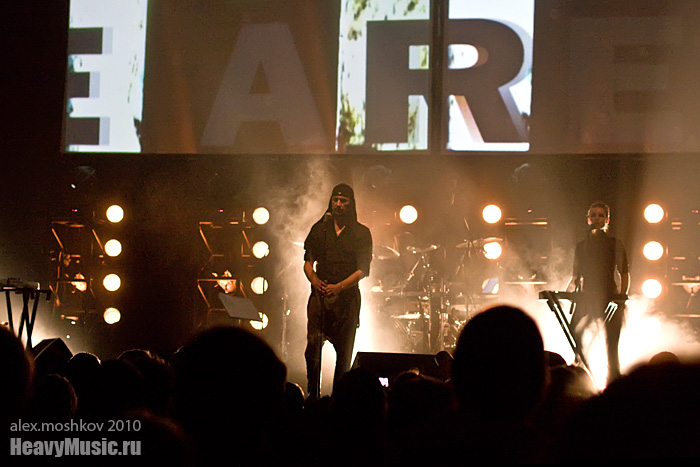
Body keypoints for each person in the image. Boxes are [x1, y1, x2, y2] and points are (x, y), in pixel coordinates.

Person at [303, 183, 372, 399]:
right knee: (312, 349)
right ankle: (312, 396)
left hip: (347, 299)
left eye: (344, 201)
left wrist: (339, 287)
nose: (339, 205)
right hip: (320, 296)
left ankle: (338, 401)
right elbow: (307, 261)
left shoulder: (361, 232)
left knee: (343, 355)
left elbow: (363, 270)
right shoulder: (320, 228)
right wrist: (315, 281)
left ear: (351, 205)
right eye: (335, 200)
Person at [567, 201, 629, 383]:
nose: (596, 218)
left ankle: (613, 377)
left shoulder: (614, 243)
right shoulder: (582, 246)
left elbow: (624, 271)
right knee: (573, 329)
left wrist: (621, 296)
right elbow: (576, 275)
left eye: (600, 215)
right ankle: (578, 367)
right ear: (588, 219)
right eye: (593, 215)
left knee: (612, 340)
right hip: (586, 296)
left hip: (609, 295)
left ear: (607, 220)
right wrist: (569, 292)